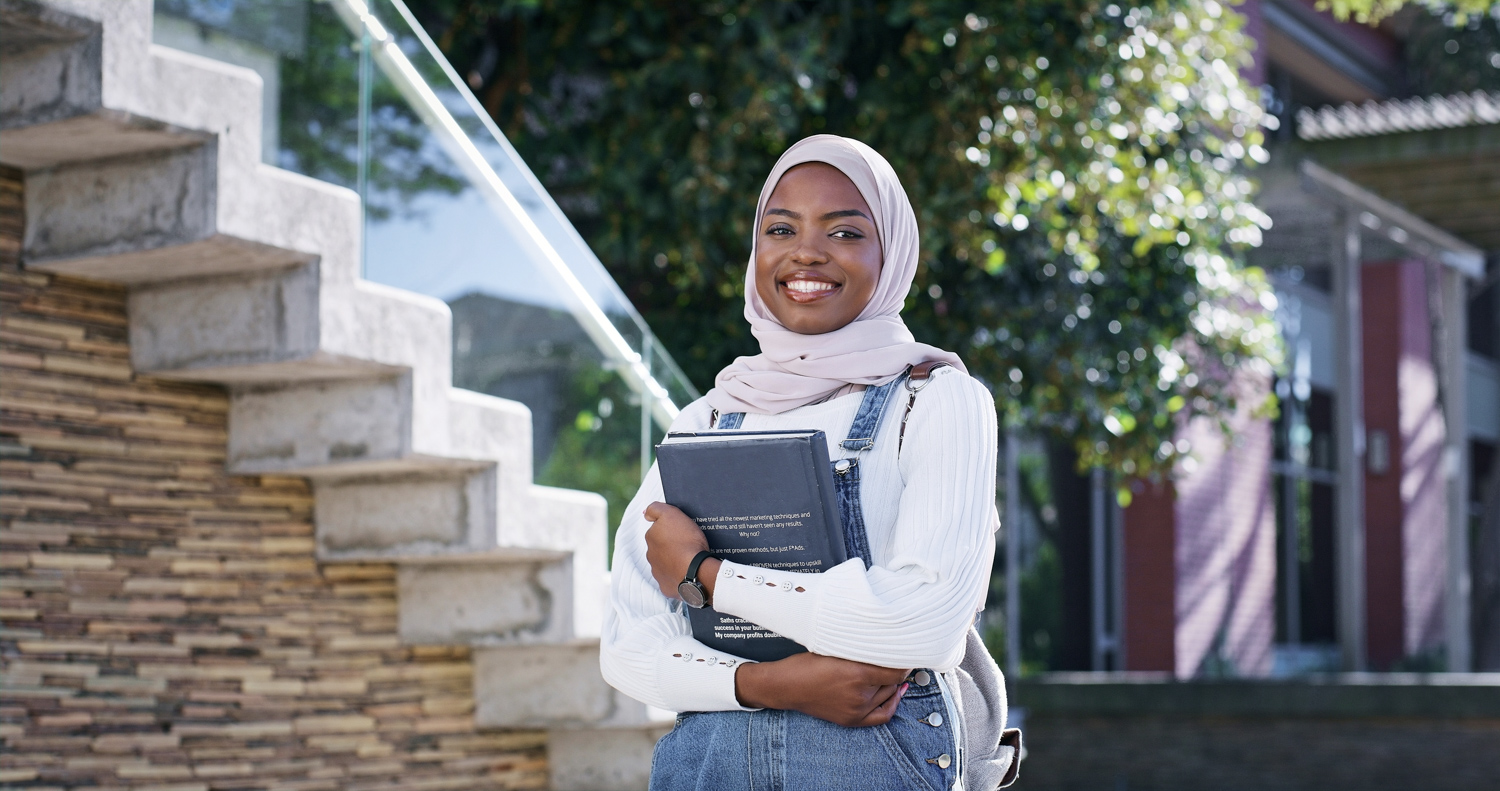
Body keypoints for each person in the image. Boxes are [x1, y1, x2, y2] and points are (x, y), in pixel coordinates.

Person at [601, 135, 1019, 791]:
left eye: (846, 230)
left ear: (893, 254)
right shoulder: (708, 418)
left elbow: (923, 623)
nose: (806, 251)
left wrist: (706, 576)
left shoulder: (937, 404)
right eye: (780, 227)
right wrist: (773, 682)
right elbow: (628, 648)